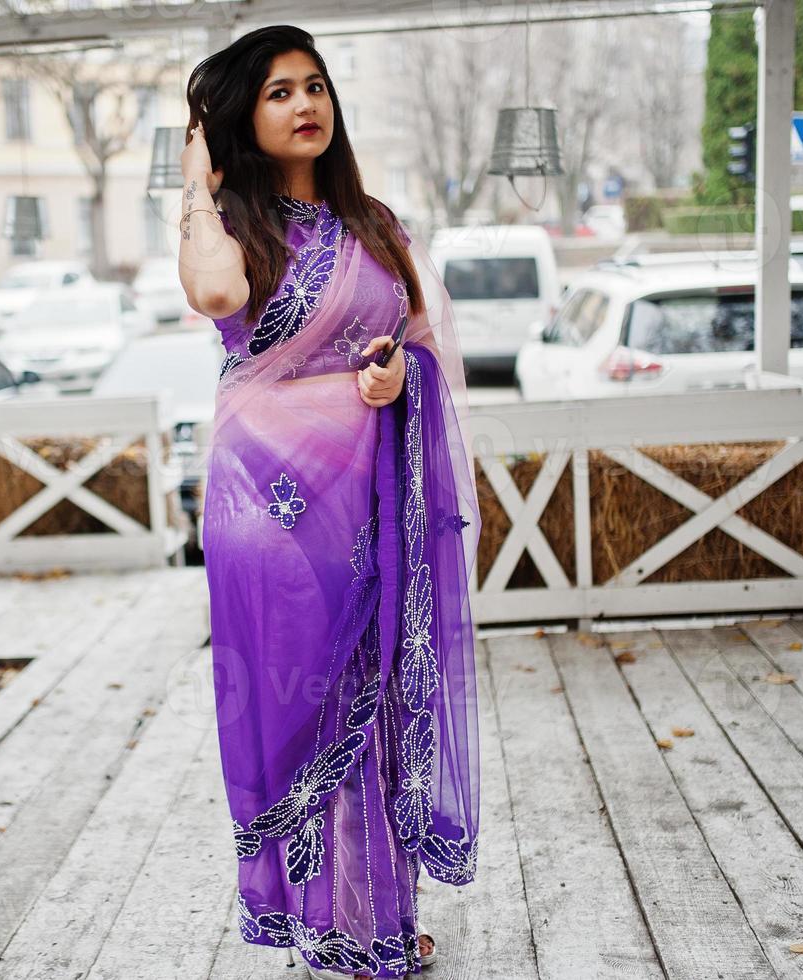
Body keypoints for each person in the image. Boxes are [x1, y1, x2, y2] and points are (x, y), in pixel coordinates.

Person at [178, 25, 482, 980]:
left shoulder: (376, 227)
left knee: (377, 699)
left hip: (367, 497)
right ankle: (330, 924)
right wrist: (197, 180)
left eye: (314, 86)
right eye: (276, 92)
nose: (304, 104)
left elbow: (424, 344)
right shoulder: (230, 225)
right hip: (266, 508)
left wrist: (400, 378)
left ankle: (374, 921)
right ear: (239, 117)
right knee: (304, 706)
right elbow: (212, 291)